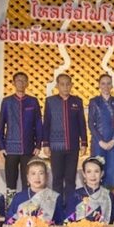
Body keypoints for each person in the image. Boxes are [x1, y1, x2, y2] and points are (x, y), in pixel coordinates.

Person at [41, 74, 87, 205]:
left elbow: (81, 123)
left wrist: (84, 142)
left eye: (68, 84)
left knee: (70, 178)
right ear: (57, 86)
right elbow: (46, 123)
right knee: (57, 179)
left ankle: (70, 206)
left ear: (71, 85)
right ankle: (57, 206)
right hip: (56, 147)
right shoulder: (50, 101)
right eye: (62, 84)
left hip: (73, 146)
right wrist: (45, 144)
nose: (65, 87)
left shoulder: (77, 101)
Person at [0, 72, 43, 194]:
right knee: (10, 182)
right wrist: (1, 146)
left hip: (28, 147)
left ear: (27, 83)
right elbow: (1, 125)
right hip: (10, 148)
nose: (21, 83)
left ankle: (27, 204)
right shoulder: (7, 101)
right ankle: (10, 205)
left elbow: (38, 123)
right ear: (13, 83)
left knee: (28, 181)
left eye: (23, 80)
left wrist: (38, 144)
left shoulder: (33, 101)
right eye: (18, 80)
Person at [88, 74, 114, 189]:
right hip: (98, 142)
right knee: (97, 168)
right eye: (103, 83)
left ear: (112, 85)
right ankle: (96, 194)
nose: (106, 86)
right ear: (99, 85)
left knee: (113, 168)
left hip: (113, 141)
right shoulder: (94, 102)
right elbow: (91, 123)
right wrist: (100, 141)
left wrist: (113, 140)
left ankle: (112, 195)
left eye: (108, 83)